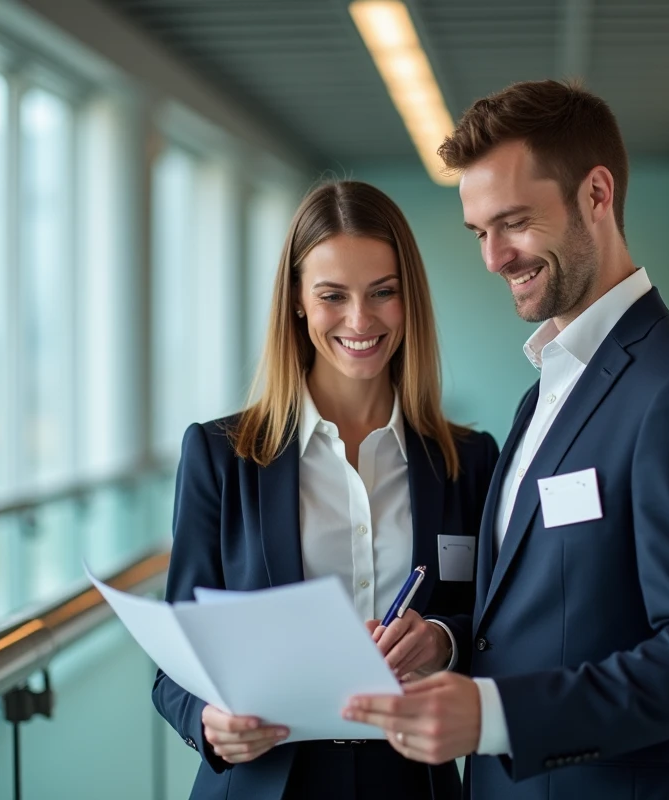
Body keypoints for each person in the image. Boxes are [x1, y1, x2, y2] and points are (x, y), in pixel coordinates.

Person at [343, 80, 669, 800]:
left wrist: (496, 715)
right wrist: (447, 643)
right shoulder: (544, 389)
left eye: (513, 222)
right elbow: (538, 617)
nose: (493, 257)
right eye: (479, 232)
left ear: (596, 195)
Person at [153, 180, 500, 800]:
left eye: (383, 292)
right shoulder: (221, 456)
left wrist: (441, 641)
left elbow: (497, 631)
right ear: (297, 300)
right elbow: (173, 664)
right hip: (266, 782)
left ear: (409, 299)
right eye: (332, 296)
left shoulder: (468, 462)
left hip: (415, 782)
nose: (360, 320)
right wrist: (207, 722)